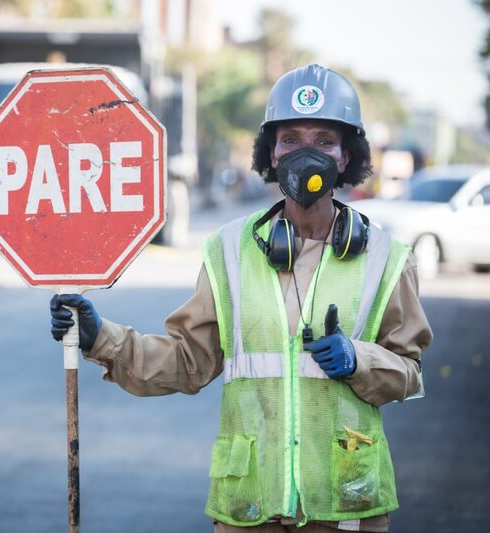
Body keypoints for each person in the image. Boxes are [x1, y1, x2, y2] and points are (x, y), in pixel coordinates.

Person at [49, 64, 433, 532]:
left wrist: (360, 360)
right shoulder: (229, 250)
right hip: (249, 507)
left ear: (346, 156)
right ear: (270, 153)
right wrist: (100, 338)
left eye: (324, 140)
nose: (305, 153)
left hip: (345, 504)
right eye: (290, 139)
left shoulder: (386, 258)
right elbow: (189, 361)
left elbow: (410, 373)